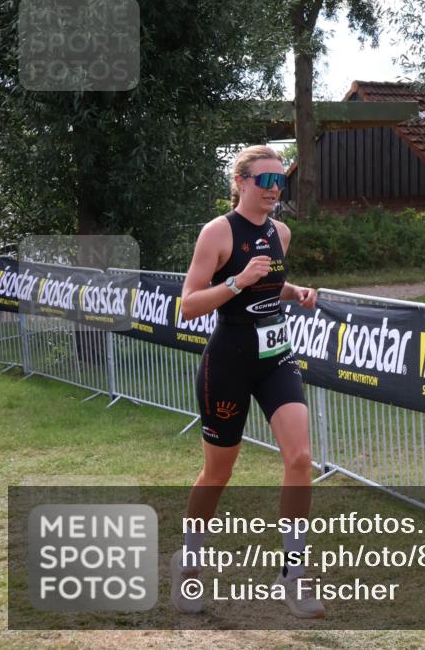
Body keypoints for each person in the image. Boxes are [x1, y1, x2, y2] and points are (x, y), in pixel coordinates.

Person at [172, 145, 323, 617]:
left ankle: (294, 575)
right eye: (265, 181)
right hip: (229, 362)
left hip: (275, 358)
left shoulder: (282, 232)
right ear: (241, 182)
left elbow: (269, 281)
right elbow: (189, 304)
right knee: (219, 473)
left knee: (300, 458)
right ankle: (189, 563)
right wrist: (236, 282)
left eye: (281, 182)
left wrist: (292, 291)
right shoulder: (217, 233)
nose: (275, 190)